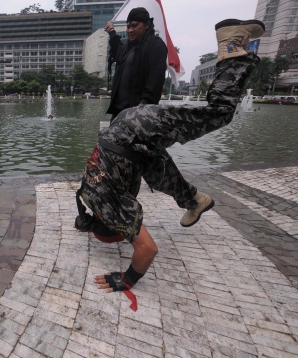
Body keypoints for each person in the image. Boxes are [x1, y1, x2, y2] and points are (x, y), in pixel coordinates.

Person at [74, 19, 265, 304]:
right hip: (131, 140)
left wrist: (127, 279)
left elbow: (147, 249)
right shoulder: (87, 196)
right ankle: (196, 201)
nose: (126, 233)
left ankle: (232, 44)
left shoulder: (111, 209)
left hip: (138, 131)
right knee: (157, 172)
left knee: (218, 113)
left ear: (113, 226)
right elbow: (84, 218)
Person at [105, 8, 168, 124]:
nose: (130, 30)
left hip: (139, 115)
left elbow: (155, 81)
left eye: (134, 26)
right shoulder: (127, 48)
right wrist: (111, 30)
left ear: (147, 24)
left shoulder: (156, 45)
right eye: (128, 27)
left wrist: (143, 107)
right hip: (118, 114)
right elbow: (117, 47)